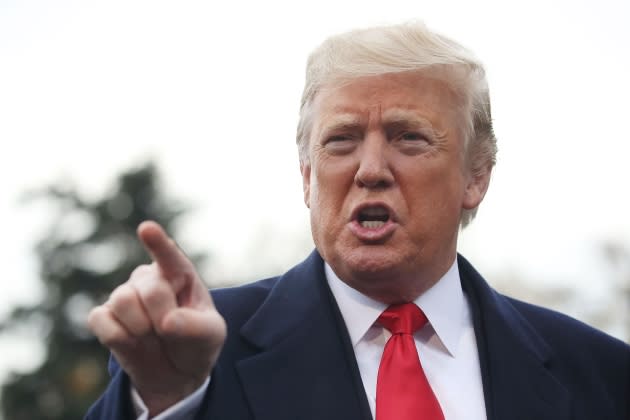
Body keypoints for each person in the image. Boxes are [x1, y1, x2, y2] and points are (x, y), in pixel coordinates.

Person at [85, 22, 630, 420]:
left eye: (408, 137)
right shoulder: (194, 356)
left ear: (476, 177)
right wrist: (164, 401)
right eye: (341, 140)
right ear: (306, 177)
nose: (370, 170)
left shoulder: (602, 374)